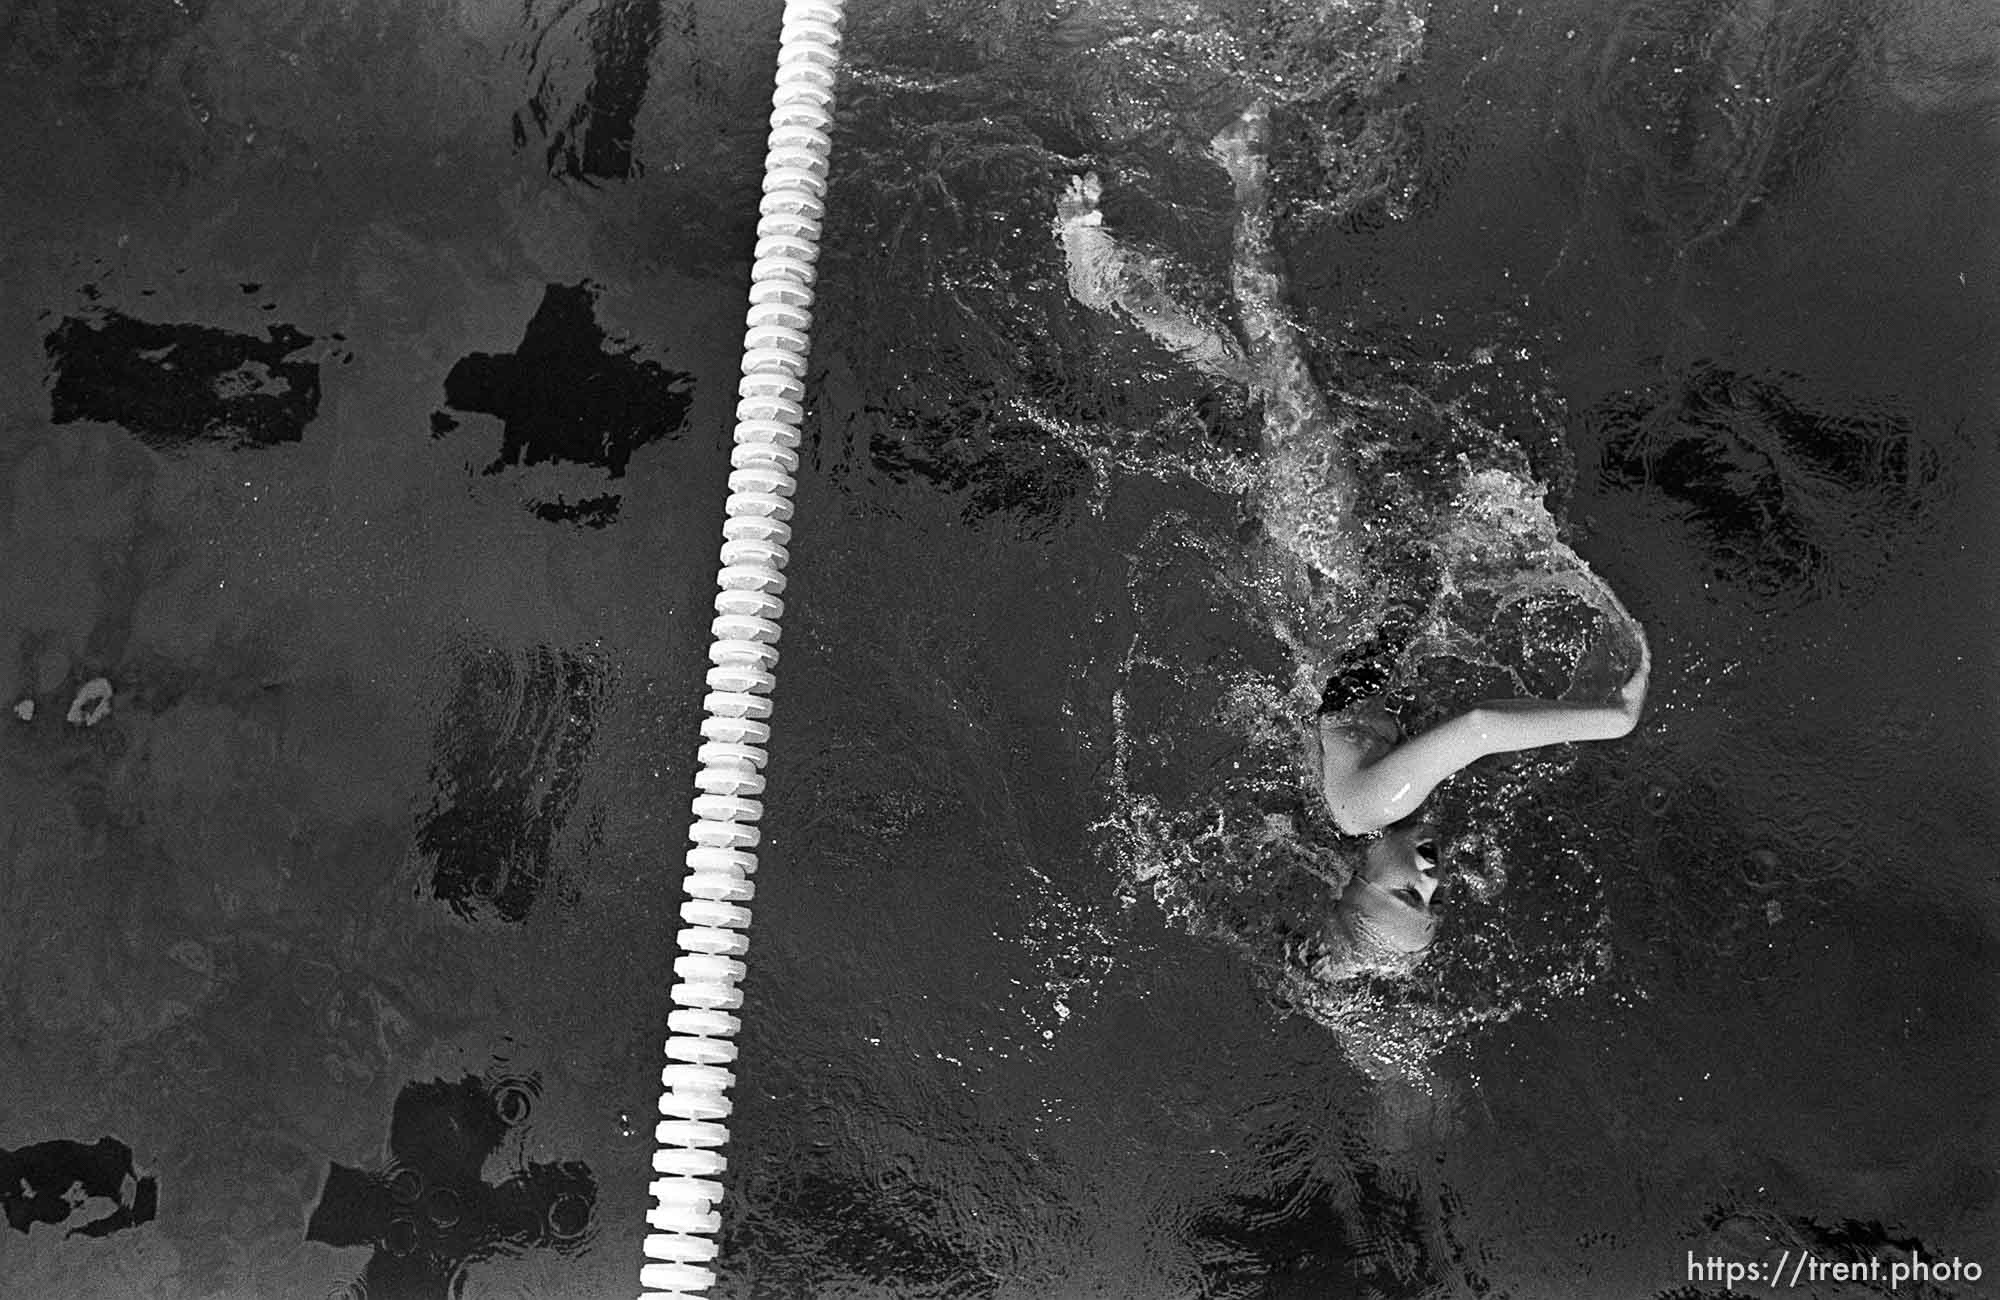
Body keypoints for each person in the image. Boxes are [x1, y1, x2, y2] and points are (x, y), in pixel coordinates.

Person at [1057, 102, 1651, 973]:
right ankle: (1098, 273)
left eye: (1406, 893)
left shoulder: (1377, 804)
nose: (1434, 880)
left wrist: (1615, 718)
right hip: (1316, 586)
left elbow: (1483, 725)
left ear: (1356, 878)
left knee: (1276, 344)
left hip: (1328, 553)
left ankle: (1245, 167)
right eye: (1435, 902)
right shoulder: (1370, 815)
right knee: (1247, 373)